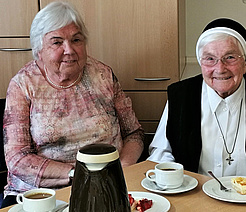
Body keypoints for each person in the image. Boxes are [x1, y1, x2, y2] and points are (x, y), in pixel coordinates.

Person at [1, 1, 144, 208]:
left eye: (76, 39)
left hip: (109, 186)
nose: (69, 50)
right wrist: (76, 174)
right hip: (42, 195)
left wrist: (122, 170)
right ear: (39, 49)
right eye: (57, 42)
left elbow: (135, 133)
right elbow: (16, 158)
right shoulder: (23, 85)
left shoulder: (103, 75)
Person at [148, 18, 246, 196]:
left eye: (230, 57)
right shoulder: (181, 96)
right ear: (201, 63)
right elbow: (160, 153)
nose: (220, 68)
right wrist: (175, 182)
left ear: (245, 63)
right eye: (210, 59)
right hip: (195, 198)